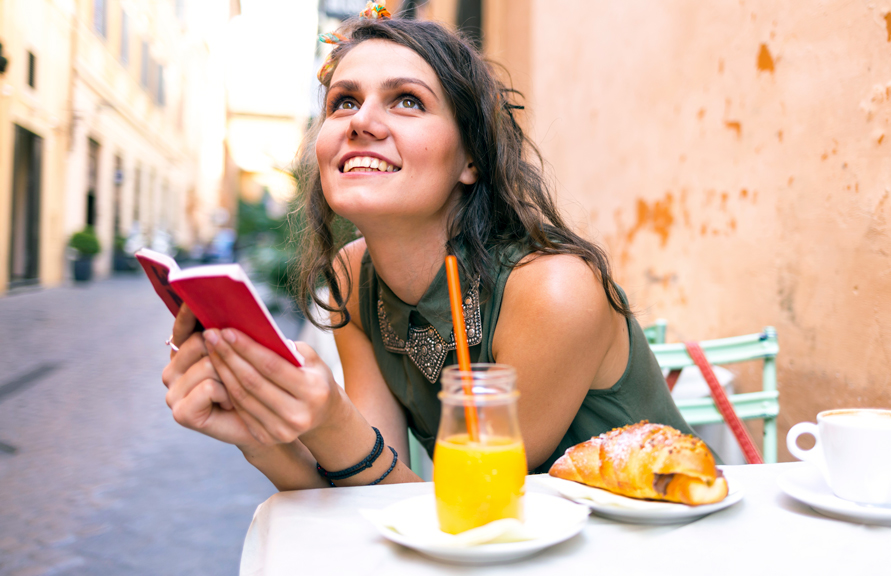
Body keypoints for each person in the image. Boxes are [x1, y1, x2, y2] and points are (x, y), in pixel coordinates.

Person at [161, 8, 695, 491]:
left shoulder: (553, 291)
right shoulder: (354, 275)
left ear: (471, 160)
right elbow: (374, 493)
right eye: (344, 101)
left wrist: (332, 421)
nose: (360, 121)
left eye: (407, 101)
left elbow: (475, 503)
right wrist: (258, 431)